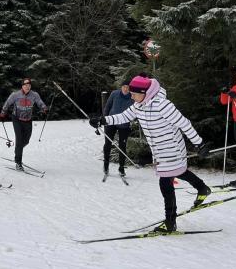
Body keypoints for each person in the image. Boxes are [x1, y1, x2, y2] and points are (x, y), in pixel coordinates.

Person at [90, 75, 211, 232]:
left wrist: (199, 144)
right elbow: (124, 116)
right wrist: (103, 120)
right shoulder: (139, 105)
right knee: (178, 172)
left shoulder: (163, 105)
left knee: (165, 182)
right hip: (158, 149)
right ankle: (202, 188)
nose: (131, 96)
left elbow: (184, 123)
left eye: (134, 94)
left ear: (144, 93)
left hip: (172, 148)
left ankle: (170, 222)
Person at [0, 78, 47, 170]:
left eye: (29, 86)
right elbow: (7, 103)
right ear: (22, 86)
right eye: (25, 85)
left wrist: (44, 108)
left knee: (26, 141)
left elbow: (40, 102)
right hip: (17, 119)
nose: (27, 87)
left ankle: (18, 149)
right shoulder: (15, 95)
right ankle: (18, 162)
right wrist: (3, 113)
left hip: (28, 120)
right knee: (19, 140)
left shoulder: (34, 95)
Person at [103, 79, 133, 176]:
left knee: (122, 146)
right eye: (124, 86)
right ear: (121, 87)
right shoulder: (114, 94)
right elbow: (107, 106)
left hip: (124, 125)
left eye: (128, 87)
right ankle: (106, 166)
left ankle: (121, 168)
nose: (126, 89)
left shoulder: (133, 97)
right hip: (111, 122)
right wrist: (105, 119)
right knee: (108, 144)